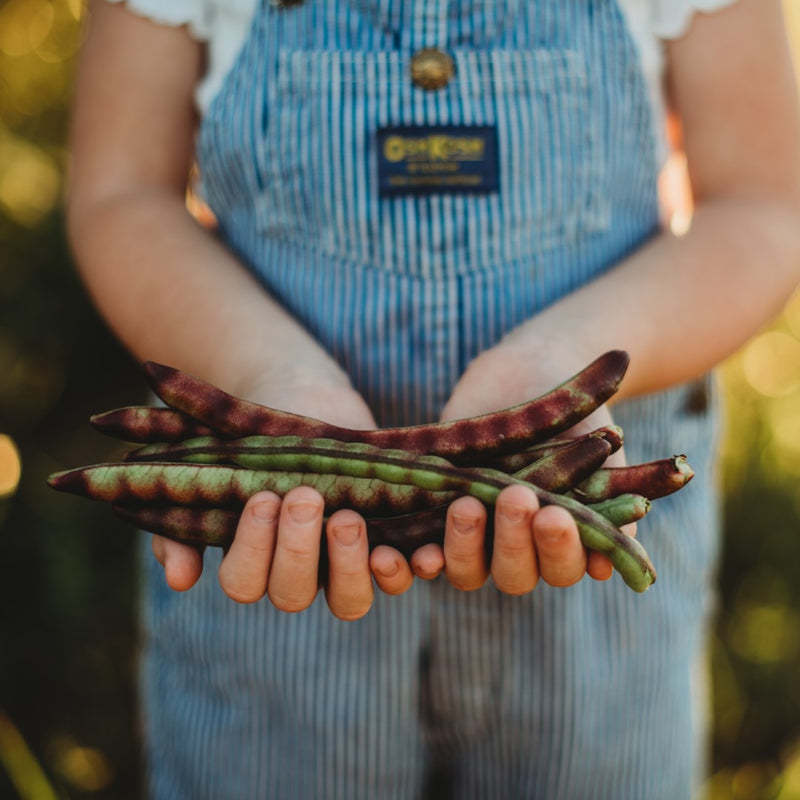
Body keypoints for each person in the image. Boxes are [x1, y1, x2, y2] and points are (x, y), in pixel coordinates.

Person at [66, 0, 800, 797]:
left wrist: (563, 367)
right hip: (278, 549)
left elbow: (760, 203)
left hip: (585, 553)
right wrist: (268, 379)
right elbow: (122, 193)